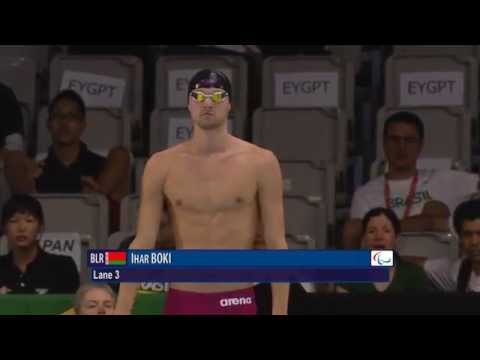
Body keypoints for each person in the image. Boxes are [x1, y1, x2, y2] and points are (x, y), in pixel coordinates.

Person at [115, 69, 289, 315]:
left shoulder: (261, 162)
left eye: (217, 96)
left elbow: (276, 244)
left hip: (236, 298)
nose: (208, 103)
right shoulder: (161, 164)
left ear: (229, 104)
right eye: (199, 96)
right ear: (188, 103)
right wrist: (121, 310)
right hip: (184, 298)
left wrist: (280, 311)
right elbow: (143, 242)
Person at [343, 111, 479, 249]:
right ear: (384, 143)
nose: (401, 147)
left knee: (436, 208)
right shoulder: (365, 194)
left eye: (409, 140)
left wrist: (435, 222)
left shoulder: (445, 179)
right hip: (386, 263)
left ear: (420, 145)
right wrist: (422, 223)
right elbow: (359, 243)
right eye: (395, 139)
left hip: (438, 266)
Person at [6, 89, 131, 231]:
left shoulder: (103, 167)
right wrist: (77, 184)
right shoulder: (34, 172)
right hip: (46, 241)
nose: (64, 122)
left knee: (121, 154)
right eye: (57, 116)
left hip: (94, 245)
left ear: (83, 124)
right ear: (48, 124)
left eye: (72, 117)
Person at [336, 207, 431, 293]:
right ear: (364, 239)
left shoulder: (414, 274)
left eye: (386, 231)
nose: (378, 237)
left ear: (396, 238)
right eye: (372, 231)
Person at [0, 194, 79, 294]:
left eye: (29, 221)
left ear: (40, 227)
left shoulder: (63, 267)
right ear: (4, 228)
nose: (21, 228)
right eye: (13, 221)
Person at [424, 199, 480, 292]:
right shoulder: (457, 269)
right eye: (467, 234)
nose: (474, 241)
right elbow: (410, 265)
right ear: (460, 238)